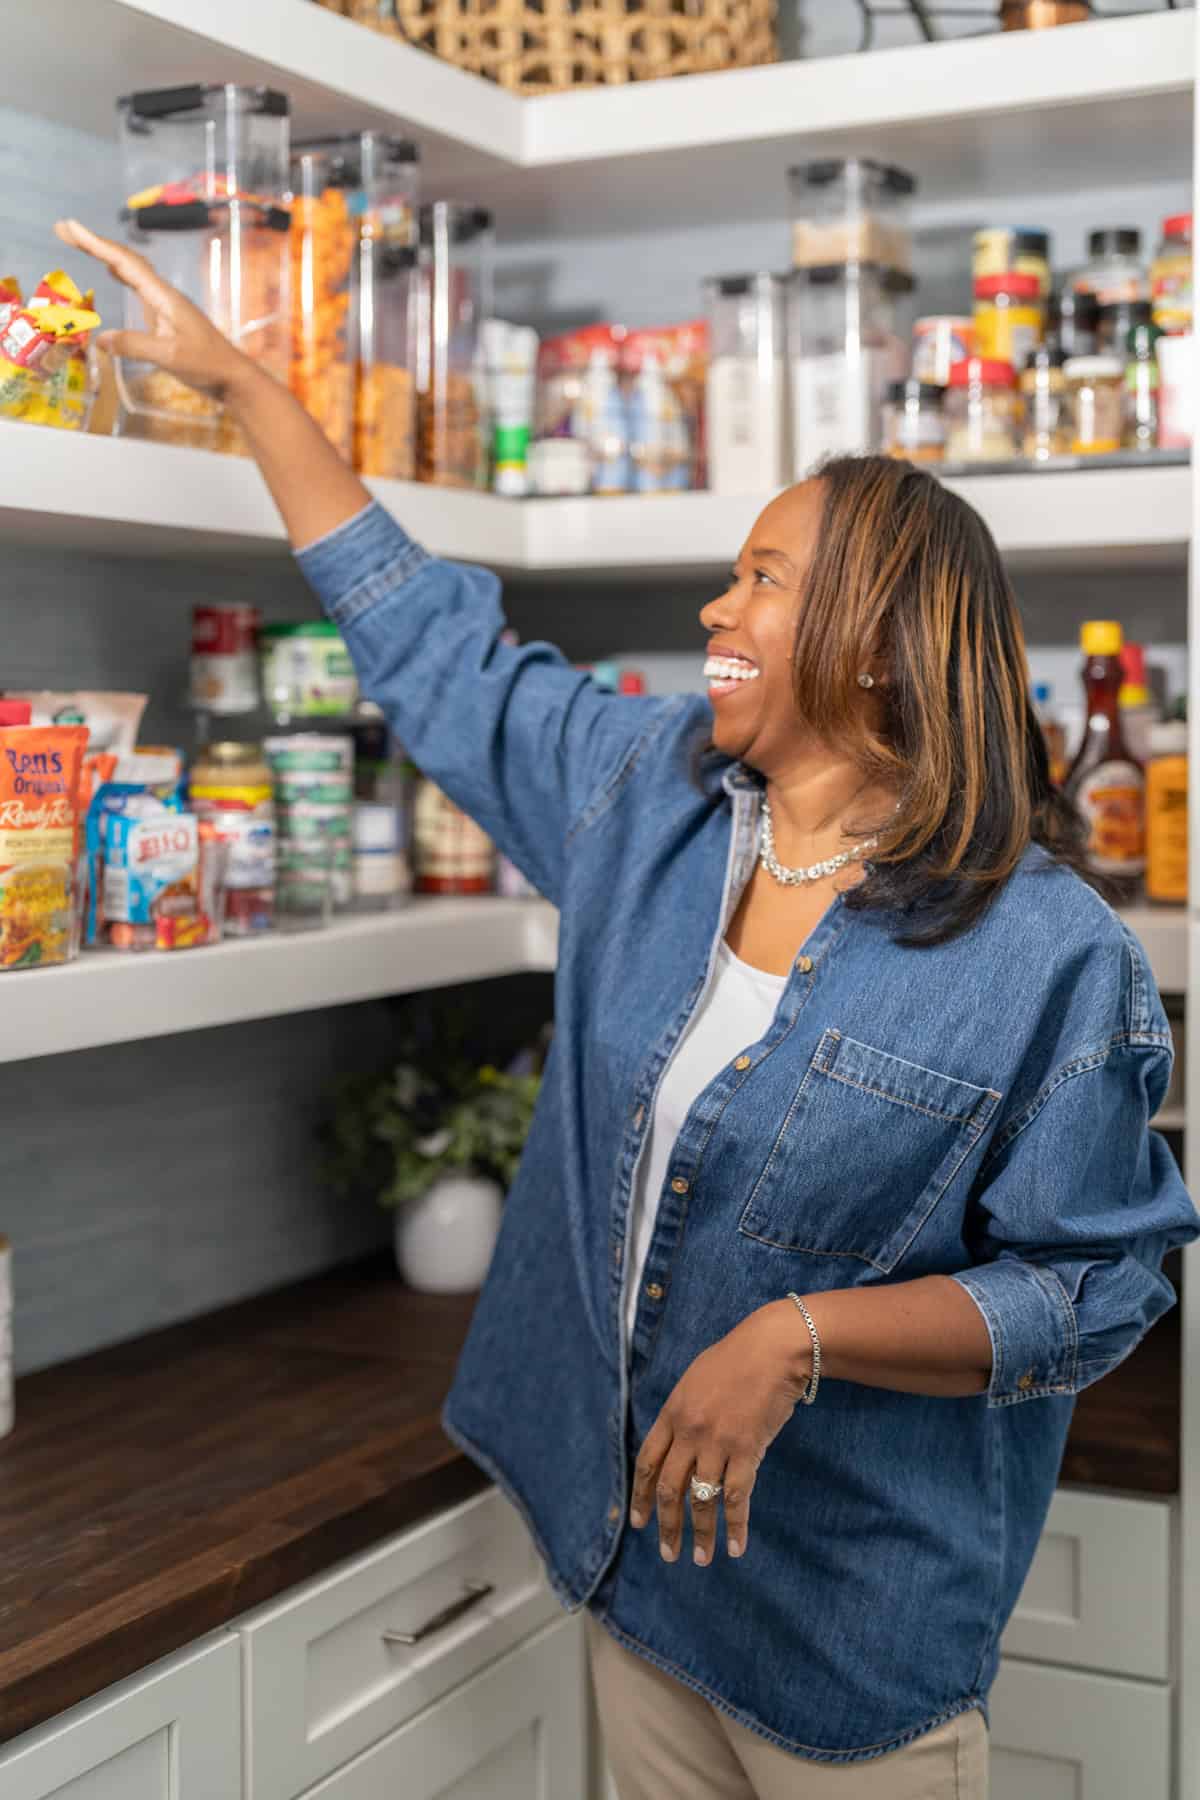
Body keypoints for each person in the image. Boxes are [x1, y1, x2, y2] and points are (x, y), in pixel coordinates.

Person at [59, 217, 1198, 1800]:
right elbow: (433, 642)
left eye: (763, 581)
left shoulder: (1050, 954)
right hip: (636, 1575)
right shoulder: (644, 800)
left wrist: (799, 1339)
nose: (720, 613)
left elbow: (1096, 1292)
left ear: (875, 649)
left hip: (851, 1645)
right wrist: (247, 383)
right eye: (732, 574)